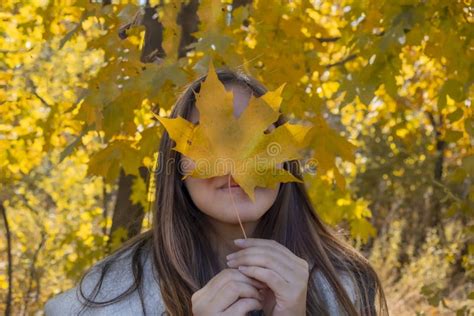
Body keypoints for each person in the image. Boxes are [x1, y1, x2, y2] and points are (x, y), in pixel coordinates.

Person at [44, 66, 389, 315]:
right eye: (207, 140)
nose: (231, 163)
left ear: (285, 159)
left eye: (258, 142)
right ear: (176, 166)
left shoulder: (346, 284)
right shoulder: (112, 294)